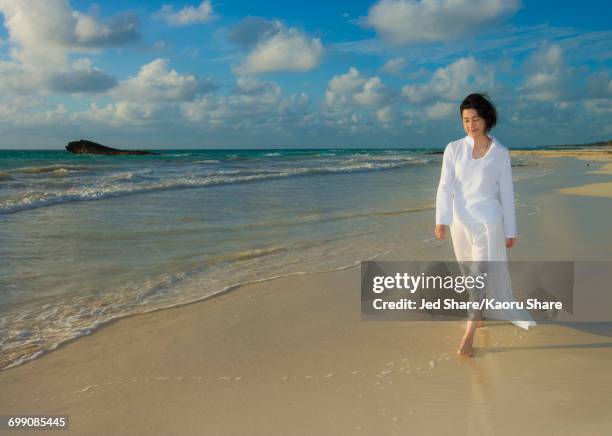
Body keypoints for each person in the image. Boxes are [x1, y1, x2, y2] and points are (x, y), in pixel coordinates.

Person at [434, 92, 536, 357]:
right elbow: (445, 187)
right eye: (466, 120)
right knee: (469, 274)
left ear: (487, 119)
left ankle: (469, 337)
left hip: (489, 222)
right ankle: (477, 315)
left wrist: (510, 230)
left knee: (479, 276)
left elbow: (506, 193)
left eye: (476, 119)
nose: (471, 125)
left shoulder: (500, 153)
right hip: (460, 223)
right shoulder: (453, 149)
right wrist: (441, 220)